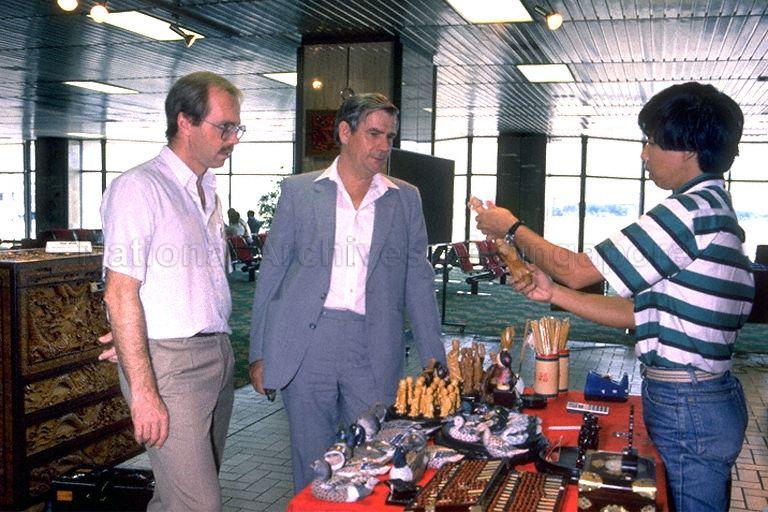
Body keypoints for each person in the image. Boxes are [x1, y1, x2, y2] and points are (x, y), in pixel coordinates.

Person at [475, 82, 753, 512]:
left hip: (689, 403)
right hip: (697, 397)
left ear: (687, 148)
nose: (644, 154)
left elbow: (575, 268)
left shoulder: (689, 211)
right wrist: (554, 292)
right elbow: (639, 313)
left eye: (652, 142)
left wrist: (510, 228)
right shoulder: (714, 208)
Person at [248, 93, 446, 492]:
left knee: (374, 459)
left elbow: (418, 281)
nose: (384, 146)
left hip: (374, 348)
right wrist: (259, 353)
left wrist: (433, 358)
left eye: (390, 137)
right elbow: (272, 273)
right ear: (344, 132)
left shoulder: (405, 198)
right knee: (312, 464)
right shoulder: (300, 192)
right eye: (374, 134)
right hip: (307, 345)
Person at [100, 71, 245, 512]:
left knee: (173, 500)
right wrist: (144, 390)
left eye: (237, 128)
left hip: (218, 353)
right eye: (225, 127)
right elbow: (119, 292)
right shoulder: (139, 187)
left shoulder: (207, 190)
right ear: (185, 121)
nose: (233, 139)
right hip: (171, 367)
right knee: (200, 505)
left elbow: (183, 286)